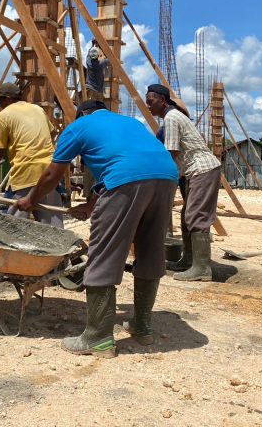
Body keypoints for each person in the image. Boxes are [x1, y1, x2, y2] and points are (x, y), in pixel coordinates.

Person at [16, 100, 178, 357]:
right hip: (167, 178)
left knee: (104, 254)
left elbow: (52, 175)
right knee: (150, 251)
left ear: (82, 114)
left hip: (127, 178)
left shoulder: (79, 126)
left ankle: (98, 338)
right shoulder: (130, 123)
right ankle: (142, 326)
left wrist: (31, 199)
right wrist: (92, 205)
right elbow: (124, 164)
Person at [146, 83, 222, 282]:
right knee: (187, 216)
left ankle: (202, 268)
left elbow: (171, 153)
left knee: (196, 215)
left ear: (163, 101)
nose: (148, 106)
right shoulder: (173, 118)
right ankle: (189, 261)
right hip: (192, 172)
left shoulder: (171, 118)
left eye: (150, 102)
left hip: (201, 169)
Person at [0, 83, 64, 226]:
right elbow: (52, 132)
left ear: (8, 99)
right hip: (50, 172)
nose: (0, 105)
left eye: (0, 101)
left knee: (12, 226)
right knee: (53, 227)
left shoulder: (4, 116)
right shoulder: (38, 109)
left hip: (24, 173)